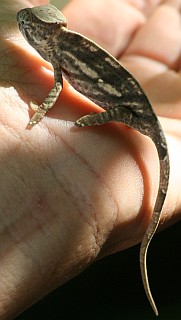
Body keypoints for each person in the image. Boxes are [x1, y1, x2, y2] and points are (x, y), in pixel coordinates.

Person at [0, 0, 181, 318]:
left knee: (116, 115)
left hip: (132, 112)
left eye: (37, 28)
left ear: (51, 29)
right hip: (130, 106)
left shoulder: (59, 50)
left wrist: (45, 113)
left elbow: (56, 88)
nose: (30, 29)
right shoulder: (61, 47)